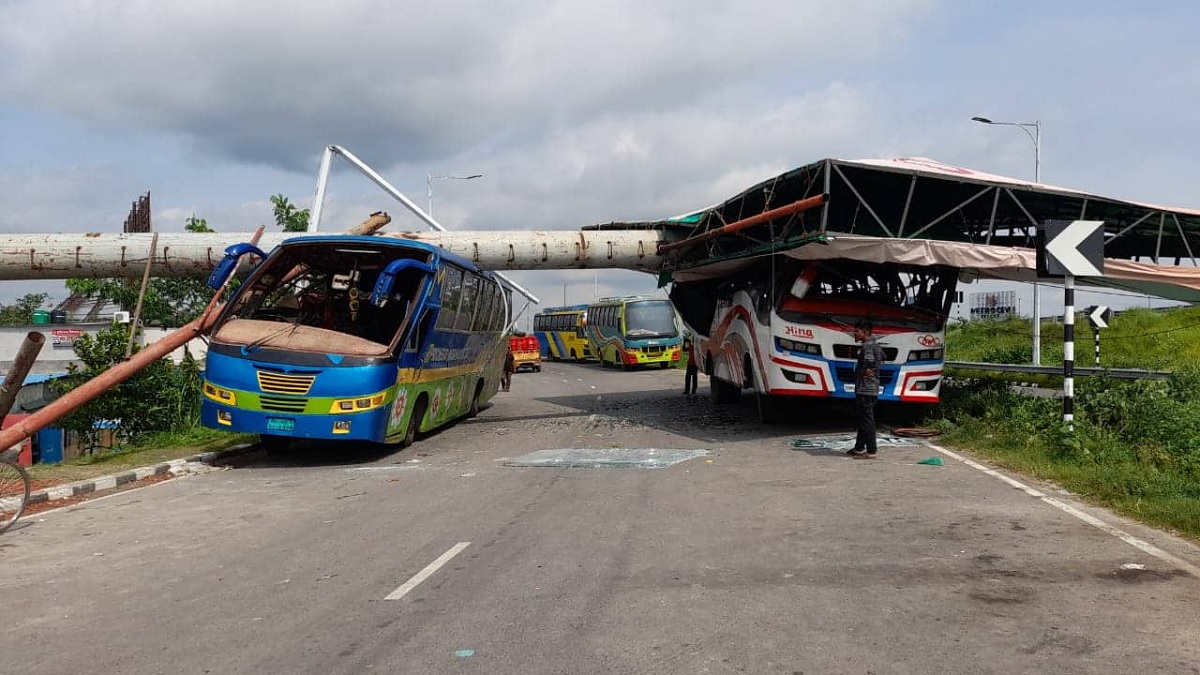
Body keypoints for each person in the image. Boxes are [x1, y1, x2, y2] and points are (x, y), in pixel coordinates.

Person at [848, 321, 885, 459]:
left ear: (865, 332)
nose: (854, 334)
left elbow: (868, 364)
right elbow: (883, 360)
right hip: (873, 388)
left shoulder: (867, 347)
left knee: (868, 420)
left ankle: (871, 450)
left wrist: (865, 370)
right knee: (864, 419)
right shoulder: (877, 346)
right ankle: (859, 448)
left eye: (857, 331)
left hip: (865, 389)